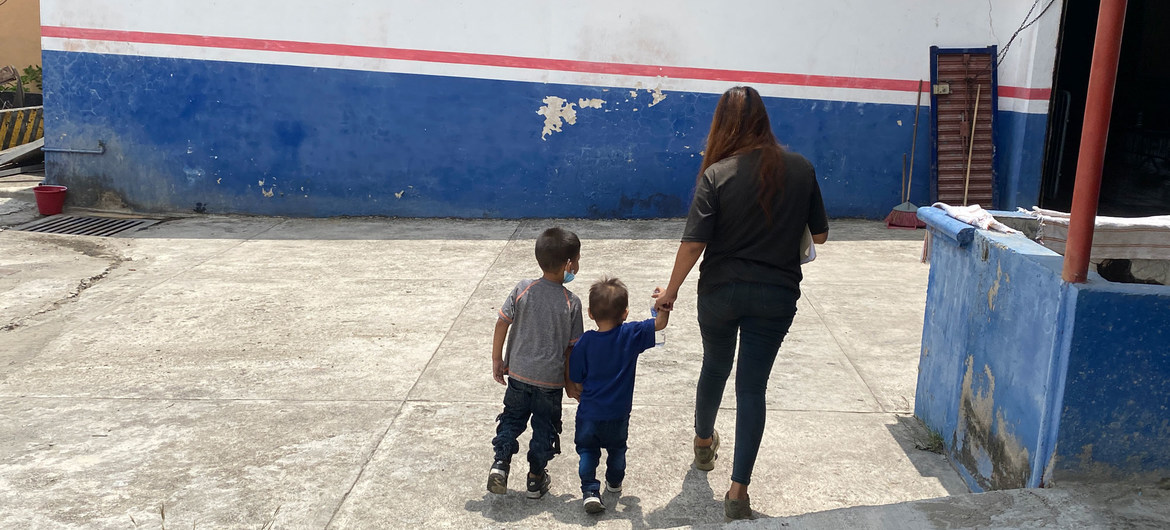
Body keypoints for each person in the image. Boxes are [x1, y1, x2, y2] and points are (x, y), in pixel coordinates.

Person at [654, 86, 829, 520]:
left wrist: (670, 291)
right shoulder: (801, 169)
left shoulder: (717, 173)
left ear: (722, 125)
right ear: (764, 120)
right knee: (752, 387)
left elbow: (694, 243)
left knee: (715, 365)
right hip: (776, 294)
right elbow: (821, 235)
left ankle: (701, 442)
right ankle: (737, 491)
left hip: (720, 291)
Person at [487, 227, 584, 499]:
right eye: (577, 260)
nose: (577, 266)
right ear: (568, 265)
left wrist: (498, 358)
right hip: (549, 383)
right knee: (545, 429)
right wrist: (569, 383)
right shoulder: (572, 303)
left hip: (518, 376)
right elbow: (571, 351)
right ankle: (535, 478)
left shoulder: (522, 288)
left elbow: (502, 322)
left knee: (511, 420)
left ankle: (500, 464)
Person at [568, 278, 669, 514]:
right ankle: (614, 482)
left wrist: (583, 393)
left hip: (589, 414)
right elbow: (660, 324)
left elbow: (577, 378)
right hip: (618, 413)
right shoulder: (631, 334)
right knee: (617, 449)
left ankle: (590, 490)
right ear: (625, 313)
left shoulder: (584, 343)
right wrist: (663, 303)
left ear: (590, 313)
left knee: (587, 452)